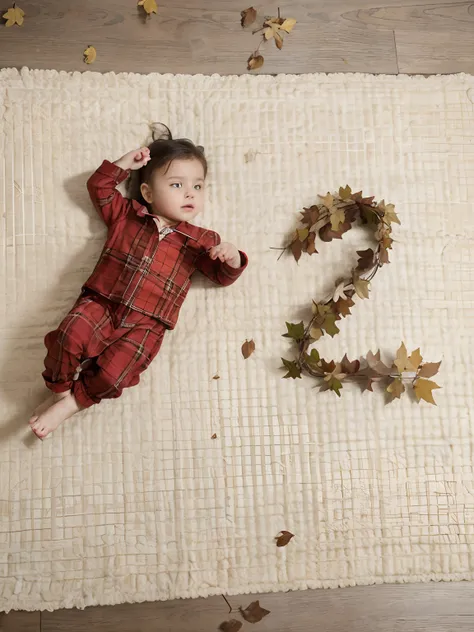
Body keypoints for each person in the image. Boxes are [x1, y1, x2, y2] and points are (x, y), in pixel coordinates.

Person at [29, 126, 248, 439]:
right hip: (102, 302)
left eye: (198, 186)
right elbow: (99, 188)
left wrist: (233, 257)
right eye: (177, 184)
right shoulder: (127, 215)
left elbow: (221, 276)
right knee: (68, 336)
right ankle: (61, 389)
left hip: (147, 324)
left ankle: (73, 403)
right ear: (147, 192)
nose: (190, 193)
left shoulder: (202, 240)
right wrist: (123, 164)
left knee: (114, 376)